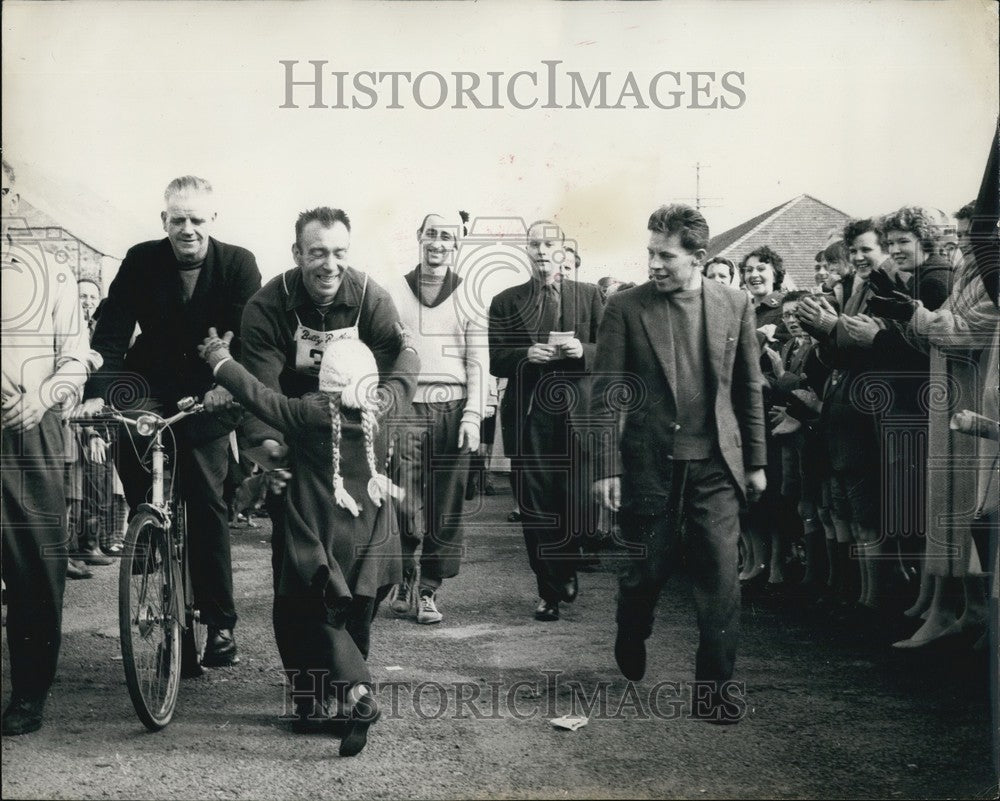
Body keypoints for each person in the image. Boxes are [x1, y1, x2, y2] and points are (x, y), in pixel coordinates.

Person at [239, 206, 417, 730]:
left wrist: (374, 444)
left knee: (359, 587)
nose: (329, 265)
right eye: (317, 252)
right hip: (297, 440)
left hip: (360, 449)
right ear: (297, 254)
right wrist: (268, 450)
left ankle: (348, 682)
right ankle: (307, 692)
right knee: (298, 578)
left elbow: (397, 369)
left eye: (339, 252)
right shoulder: (267, 305)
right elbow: (260, 389)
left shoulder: (372, 299)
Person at [199, 329, 416, 756]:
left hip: (321, 536)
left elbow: (259, 395)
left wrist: (219, 359)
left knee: (317, 618)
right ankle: (342, 703)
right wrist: (407, 345)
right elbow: (407, 376)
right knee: (355, 616)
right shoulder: (384, 406)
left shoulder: (309, 412)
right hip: (371, 535)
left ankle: (358, 696)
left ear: (326, 380)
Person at [589, 204, 767, 722]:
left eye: (665, 255)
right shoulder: (625, 307)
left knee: (720, 579)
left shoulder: (735, 304)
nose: (654, 265)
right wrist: (605, 468)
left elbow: (748, 387)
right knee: (646, 572)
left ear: (698, 256)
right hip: (649, 464)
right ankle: (632, 624)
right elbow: (604, 395)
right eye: (650, 253)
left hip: (715, 467)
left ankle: (713, 691)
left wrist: (754, 461)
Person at [80, 175, 261, 669]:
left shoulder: (238, 264)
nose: (187, 229)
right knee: (127, 429)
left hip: (211, 389)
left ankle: (220, 623)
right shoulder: (141, 258)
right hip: (150, 382)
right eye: (177, 219)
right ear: (164, 220)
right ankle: (149, 528)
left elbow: (249, 335)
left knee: (205, 498)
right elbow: (114, 325)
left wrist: (231, 384)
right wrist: (99, 393)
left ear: (212, 221)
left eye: (197, 220)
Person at [2, 157, 103, 735]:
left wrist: (43, 394)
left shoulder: (53, 272)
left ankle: (28, 695)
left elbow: (76, 359)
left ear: (12, 196)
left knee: (35, 568)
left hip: (28, 432)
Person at [488, 220, 602, 621]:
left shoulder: (589, 296)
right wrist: (524, 355)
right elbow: (496, 359)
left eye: (548, 243)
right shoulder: (505, 301)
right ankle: (549, 589)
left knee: (575, 499)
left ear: (562, 249)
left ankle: (566, 563)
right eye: (533, 244)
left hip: (577, 415)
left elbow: (609, 351)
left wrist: (582, 349)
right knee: (536, 505)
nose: (540, 250)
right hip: (531, 413)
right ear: (526, 251)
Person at [388, 213, 487, 624]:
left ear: (456, 245)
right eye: (431, 234)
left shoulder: (470, 296)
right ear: (418, 236)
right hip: (407, 406)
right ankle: (405, 571)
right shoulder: (394, 291)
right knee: (402, 497)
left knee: (445, 503)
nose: (438, 243)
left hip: (453, 406)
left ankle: (429, 589)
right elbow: (381, 351)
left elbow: (479, 361)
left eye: (447, 237)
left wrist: (473, 416)